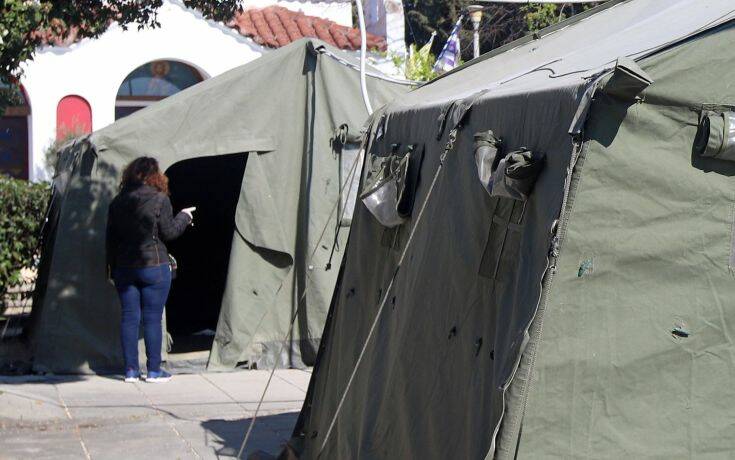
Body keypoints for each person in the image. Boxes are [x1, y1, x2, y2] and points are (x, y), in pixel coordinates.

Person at [106, 157, 195, 383]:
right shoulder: (160, 199)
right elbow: (170, 232)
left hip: (124, 267)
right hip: (154, 266)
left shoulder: (117, 202)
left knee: (129, 318)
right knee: (152, 319)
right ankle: (154, 370)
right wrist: (184, 217)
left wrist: (111, 269)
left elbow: (110, 240)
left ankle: (130, 371)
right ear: (156, 175)